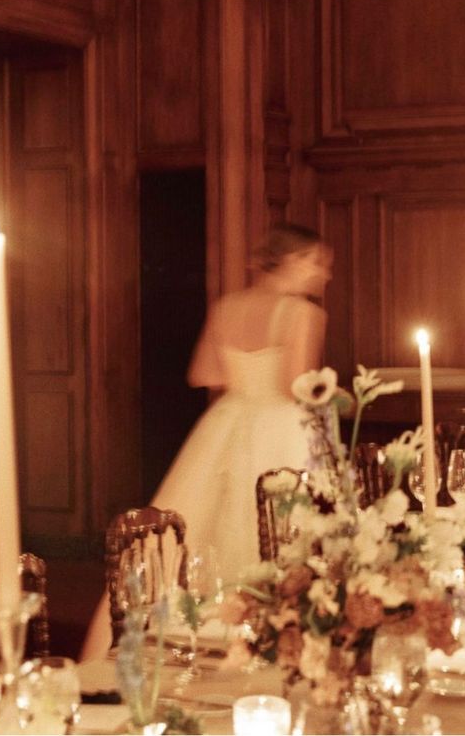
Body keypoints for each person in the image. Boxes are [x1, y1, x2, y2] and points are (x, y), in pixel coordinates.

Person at [80, 224, 331, 660]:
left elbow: (204, 375)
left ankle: (181, 641)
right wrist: (331, 392)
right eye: (317, 263)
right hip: (282, 427)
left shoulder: (227, 306)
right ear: (291, 260)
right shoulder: (303, 313)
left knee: (199, 526)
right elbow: (296, 384)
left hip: (227, 422)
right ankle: (278, 643)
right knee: (284, 530)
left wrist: (245, 370)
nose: (323, 275)